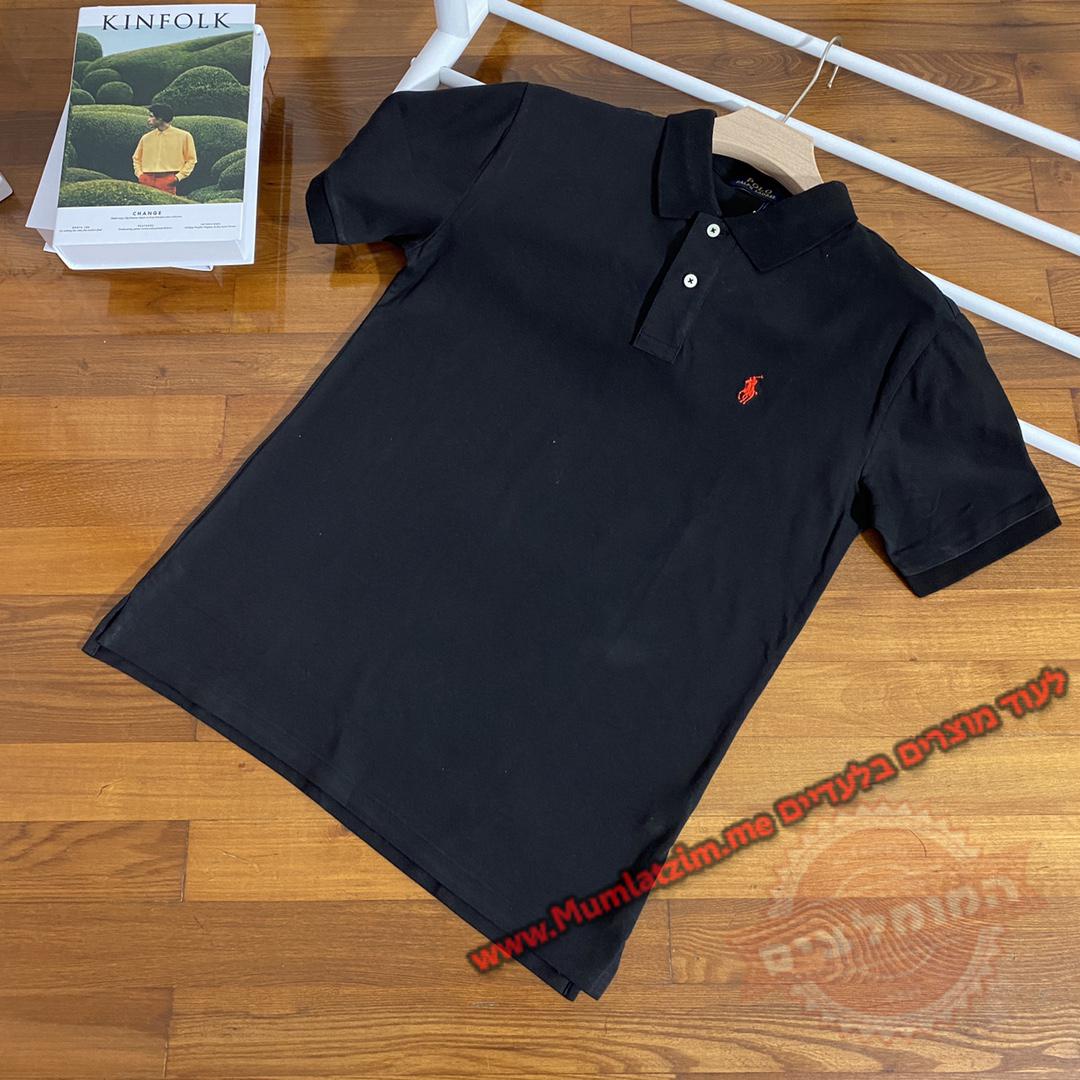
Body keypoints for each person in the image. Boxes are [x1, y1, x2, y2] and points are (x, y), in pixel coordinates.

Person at [132, 102, 196, 196]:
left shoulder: (184, 136)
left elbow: (191, 160)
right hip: (146, 178)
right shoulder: (146, 138)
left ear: (160, 118)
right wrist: (140, 175)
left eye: (151, 116)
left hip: (168, 179)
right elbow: (136, 158)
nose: (148, 119)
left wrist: (178, 177)